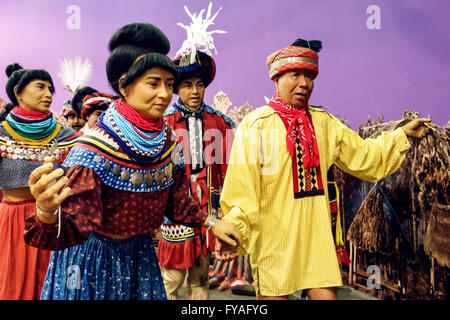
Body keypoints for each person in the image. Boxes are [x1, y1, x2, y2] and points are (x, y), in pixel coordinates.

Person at [24, 22, 241, 300]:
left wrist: (212, 223)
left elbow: (177, 203)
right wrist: (46, 211)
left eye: (169, 84)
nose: (164, 94)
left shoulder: (167, 141)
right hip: (93, 262)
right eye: (153, 83)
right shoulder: (94, 148)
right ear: (124, 86)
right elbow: (72, 229)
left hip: (140, 258)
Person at [218, 39, 430, 300]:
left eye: (309, 76)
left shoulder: (325, 124)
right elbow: (242, 188)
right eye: (295, 74)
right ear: (276, 78)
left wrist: (401, 135)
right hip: (274, 237)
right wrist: (234, 229)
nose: (304, 83)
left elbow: (365, 156)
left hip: (315, 234)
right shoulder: (256, 126)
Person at [157, 49, 235, 299]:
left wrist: (226, 208)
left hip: (208, 209)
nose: (195, 91)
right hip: (175, 209)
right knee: (171, 277)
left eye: (200, 85)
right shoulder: (163, 122)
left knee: (201, 277)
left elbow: (229, 171)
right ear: (177, 88)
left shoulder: (219, 122)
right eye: (188, 85)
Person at [0, 63, 77, 300]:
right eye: (40, 87)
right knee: (12, 282)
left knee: (51, 283)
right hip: (12, 221)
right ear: (18, 93)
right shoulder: (1, 133)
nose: (48, 94)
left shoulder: (67, 135)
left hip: (55, 220)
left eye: (50, 89)